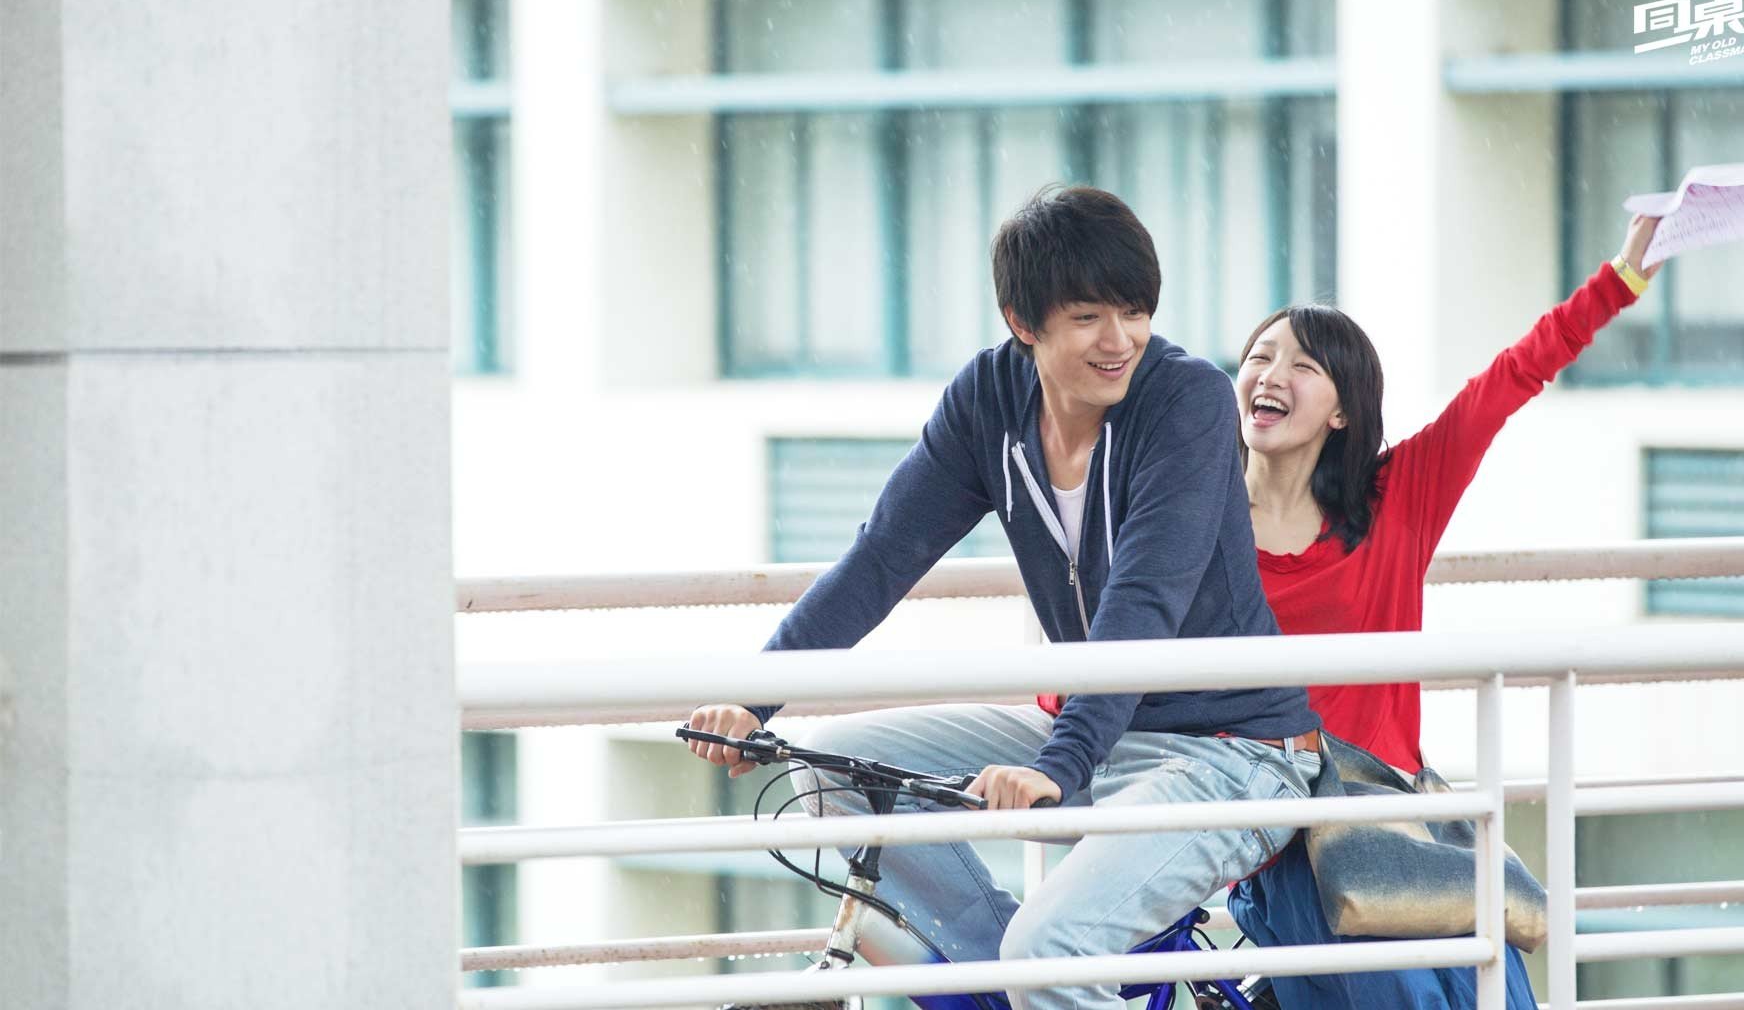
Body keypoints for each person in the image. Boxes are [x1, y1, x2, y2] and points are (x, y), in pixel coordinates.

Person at [681, 185, 1323, 1010]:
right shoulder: (988, 401)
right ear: (1023, 322)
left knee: (1048, 953)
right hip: (1099, 732)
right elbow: (881, 558)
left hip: (1233, 754)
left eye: (1135, 312)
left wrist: (1058, 764)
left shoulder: (1187, 401)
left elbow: (1144, 602)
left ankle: (1031, 975)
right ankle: (1003, 981)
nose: (1120, 340)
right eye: (1088, 317)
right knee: (833, 767)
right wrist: (754, 698)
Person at [1225, 213, 1666, 1008]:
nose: (1271, 374)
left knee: (1496, 992)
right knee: (1409, 996)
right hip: (1278, 838)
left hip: (1400, 824)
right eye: (1260, 356)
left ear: (1342, 412)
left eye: (1303, 364)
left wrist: (1622, 279)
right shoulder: (1198, 522)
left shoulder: (1393, 499)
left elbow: (1507, 381)